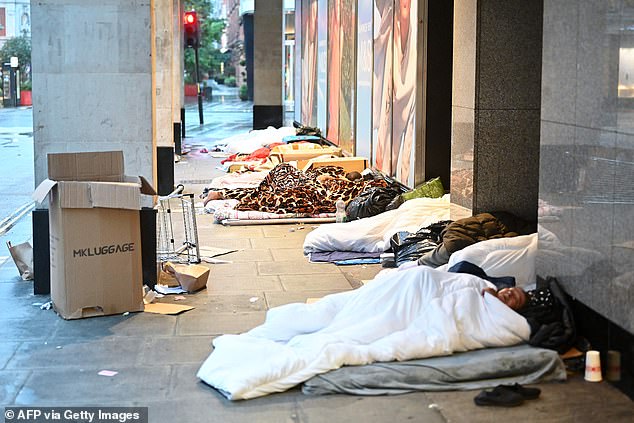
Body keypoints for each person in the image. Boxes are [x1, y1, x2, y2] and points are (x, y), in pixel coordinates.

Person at [203, 163, 386, 214]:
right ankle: (221, 193)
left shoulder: (343, 183)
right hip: (301, 181)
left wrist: (325, 180)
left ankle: (221, 193)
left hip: (306, 187)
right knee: (267, 192)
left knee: (268, 192)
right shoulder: (336, 176)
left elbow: (329, 189)